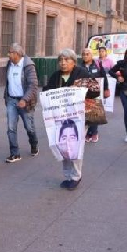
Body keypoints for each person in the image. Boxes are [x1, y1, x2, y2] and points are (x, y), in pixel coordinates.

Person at [43, 49, 92, 189]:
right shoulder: (56, 76)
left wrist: (79, 87)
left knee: (75, 146)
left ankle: (76, 176)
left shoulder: (82, 73)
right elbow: (46, 91)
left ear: (73, 62)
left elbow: (95, 90)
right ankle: (67, 175)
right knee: (63, 145)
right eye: (61, 60)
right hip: (61, 119)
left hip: (78, 118)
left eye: (66, 60)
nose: (63, 63)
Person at [3, 43, 39, 162]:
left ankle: (34, 144)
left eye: (10, 52)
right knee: (10, 128)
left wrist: (24, 99)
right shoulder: (9, 64)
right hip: (11, 100)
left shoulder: (28, 66)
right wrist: (7, 97)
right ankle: (15, 153)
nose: (8, 55)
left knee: (29, 128)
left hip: (25, 102)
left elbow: (33, 85)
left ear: (17, 54)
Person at [80, 48, 110, 143]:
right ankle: (88, 133)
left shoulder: (97, 65)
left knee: (95, 113)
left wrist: (106, 89)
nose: (85, 56)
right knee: (86, 113)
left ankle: (94, 132)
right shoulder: (79, 67)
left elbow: (104, 77)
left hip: (96, 93)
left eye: (87, 54)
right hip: (84, 93)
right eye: (84, 54)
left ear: (91, 55)